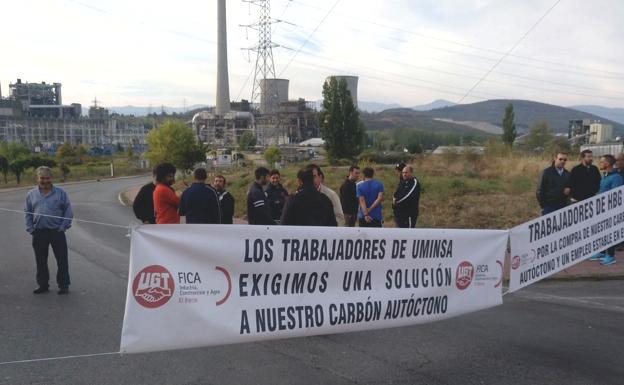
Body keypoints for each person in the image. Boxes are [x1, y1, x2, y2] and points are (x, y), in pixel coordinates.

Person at [24, 166, 73, 295]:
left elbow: (68, 211)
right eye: (42, 178)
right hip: (39, 232)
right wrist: (30, 229)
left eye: (47, 178)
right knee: (40, 261)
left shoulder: (61, 193)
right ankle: (43, 285)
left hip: (57, 232)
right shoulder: (31, 194)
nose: (45, 181)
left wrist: (63, 227)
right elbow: (28, 212)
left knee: (62, 260)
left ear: (51, 178)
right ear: (37, 178)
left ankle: (63, 285)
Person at [589, 155, 623, 266]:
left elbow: (615, 195)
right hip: (602, 209)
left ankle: (611, 256)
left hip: (611, 210)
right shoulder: (605, 176)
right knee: (602, 232)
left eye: (602, 161)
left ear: (608, 163)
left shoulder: (616, 178)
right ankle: (602, 252)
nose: (600, 163)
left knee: (610, 233)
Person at [392, 162, 406, 227]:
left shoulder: (405, 181)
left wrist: (396, 201)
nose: (397, 172)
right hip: (398, 209)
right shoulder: (401, 180)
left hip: (402, 209)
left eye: (399, 171)